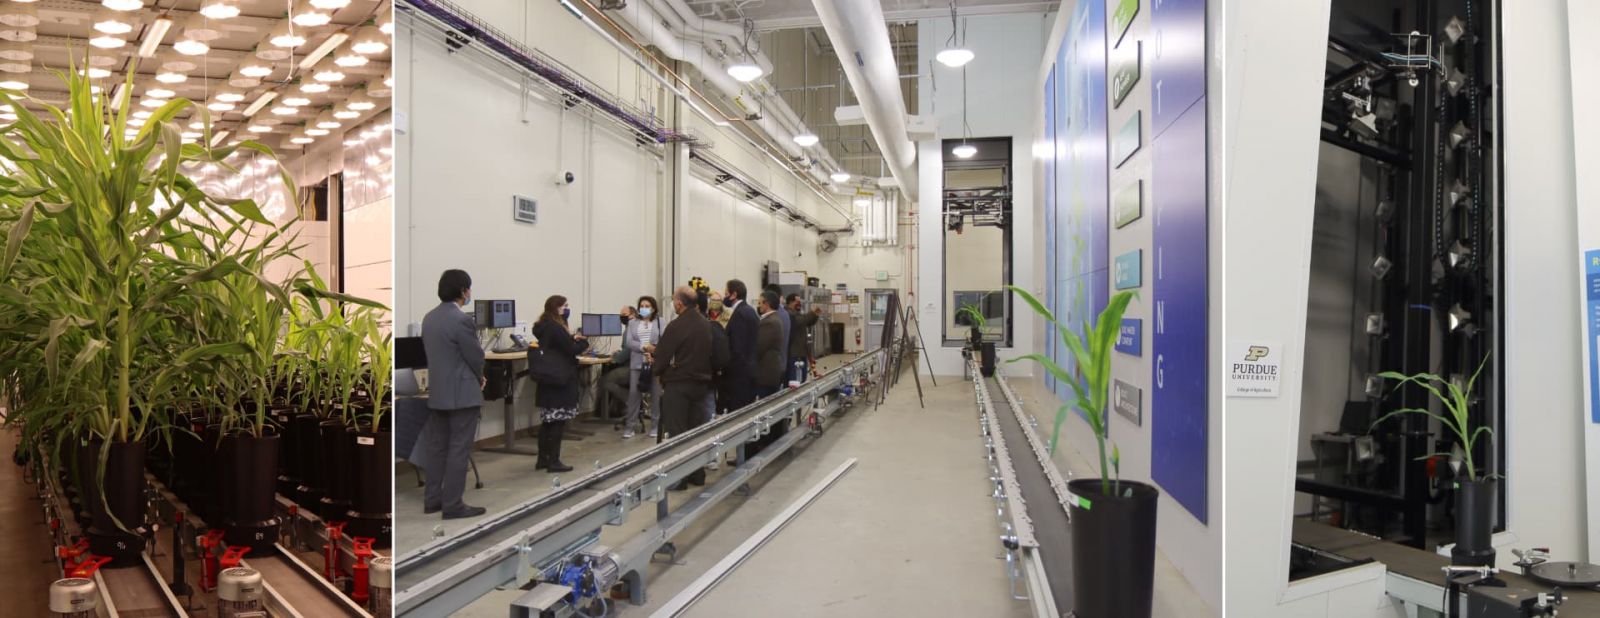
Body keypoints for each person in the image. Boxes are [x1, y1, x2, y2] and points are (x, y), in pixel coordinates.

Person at [420, 269, 487, 519]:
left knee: (437, 449)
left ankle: (433, 500)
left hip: (438, 392)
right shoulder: (461, 320)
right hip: (462, 393)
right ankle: (453, 505)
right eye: (468, 288)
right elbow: (475, 355)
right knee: (459, 448)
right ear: (463, 291)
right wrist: (480, 377)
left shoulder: (429, 318)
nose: (469, 293)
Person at [651, 286, 713, 489]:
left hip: (679, 385)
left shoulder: (677, 326)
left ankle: (679, 479)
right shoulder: (706, 324)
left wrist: (658, 369)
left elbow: (662, 355)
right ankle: (697, 473)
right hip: (701, 385)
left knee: (678, 432)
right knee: (695, 431)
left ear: (679, 303)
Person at [530, 295, 588, 473]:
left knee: (548, 422)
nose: (567, 309)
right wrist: (583, 342)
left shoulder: (543, 326)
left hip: (548, 380)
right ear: (556, 308)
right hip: (560, 380)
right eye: (565, 306)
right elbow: (570, 350)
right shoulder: (556, 328)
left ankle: (543, 459)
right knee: (557, 422)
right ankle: (554, 461)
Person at [622, 295, 666, 439]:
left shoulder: (660, 322)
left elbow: (665, 341)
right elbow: (629, 342)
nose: (644, 308)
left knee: (656, 395)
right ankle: (630, 426)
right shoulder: (633, 323)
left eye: (647, 306)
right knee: (634, 395)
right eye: (642, 306)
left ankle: (655, 426)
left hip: (654, 363)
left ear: (653, 308)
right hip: (637, 364)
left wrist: (653, 350)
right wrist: (644, 347)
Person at [720, 279, 759, 412]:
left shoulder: (740, 314)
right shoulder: (750, 311)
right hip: (748, 371)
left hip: (739, 376)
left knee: (738, 412)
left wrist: (726, 368)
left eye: (726, 293)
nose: (724, 296)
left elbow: (738, 348)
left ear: (734, 295)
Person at [786, 294, 824, 385]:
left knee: (802, 379)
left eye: (800, 302)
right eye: (797, 302)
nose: (799, 304)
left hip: (801, 352)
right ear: (790, 302)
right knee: (796, 381)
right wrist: (812, 313)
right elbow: (802, 320)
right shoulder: (789, 313)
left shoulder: (796, 313)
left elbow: (808, 321)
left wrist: (815, 315)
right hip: (794, 354)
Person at [754, 291, 786, 399]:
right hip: (770, 373)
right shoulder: (774, 319)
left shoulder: (769, 322)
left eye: (760, 303)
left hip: (766, 374)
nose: (759, 306)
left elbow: (759, 347)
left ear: (766, 304)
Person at [598, 345, 630, 420]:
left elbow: (619, 358)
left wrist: (616, 355)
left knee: (603, 381)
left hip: (631, 369)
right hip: (642, 369)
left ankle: (628, 398)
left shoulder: (629, 333)